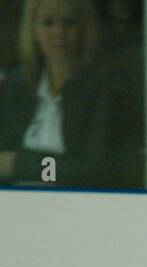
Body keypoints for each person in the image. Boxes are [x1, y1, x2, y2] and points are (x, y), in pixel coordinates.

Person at [0, 0, 139, 188]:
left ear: (85, 29)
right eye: (48, 22)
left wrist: (19, 164)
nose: (59, 32)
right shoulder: (16, 88)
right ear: (33, 30)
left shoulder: (104, 93)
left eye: (70, 23)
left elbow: (95, 171)